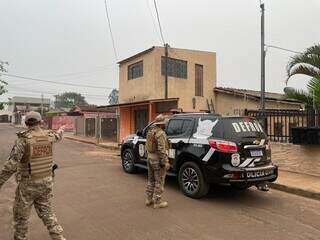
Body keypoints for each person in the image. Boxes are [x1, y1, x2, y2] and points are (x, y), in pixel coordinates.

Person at [0, 111, 66, 240]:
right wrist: (61, 129)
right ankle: (59, 237)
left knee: (21, 218)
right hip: (46, 182)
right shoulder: (49, 136)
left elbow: (11, 166)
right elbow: (59, 135)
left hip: (28, 186)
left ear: (26, 123)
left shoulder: (23, 139)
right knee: (47, 212)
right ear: (41, 122)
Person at [145, 114, 170, 209]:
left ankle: (148, 199)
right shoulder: (161, 134)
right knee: (159, 181)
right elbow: (161, 150)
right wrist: (165, 162)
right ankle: (157, 202)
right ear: (161, 124)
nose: (165, 125)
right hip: (157, 160)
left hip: (150, 158)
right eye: (164, 123)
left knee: (151, 180)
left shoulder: (150, 131)